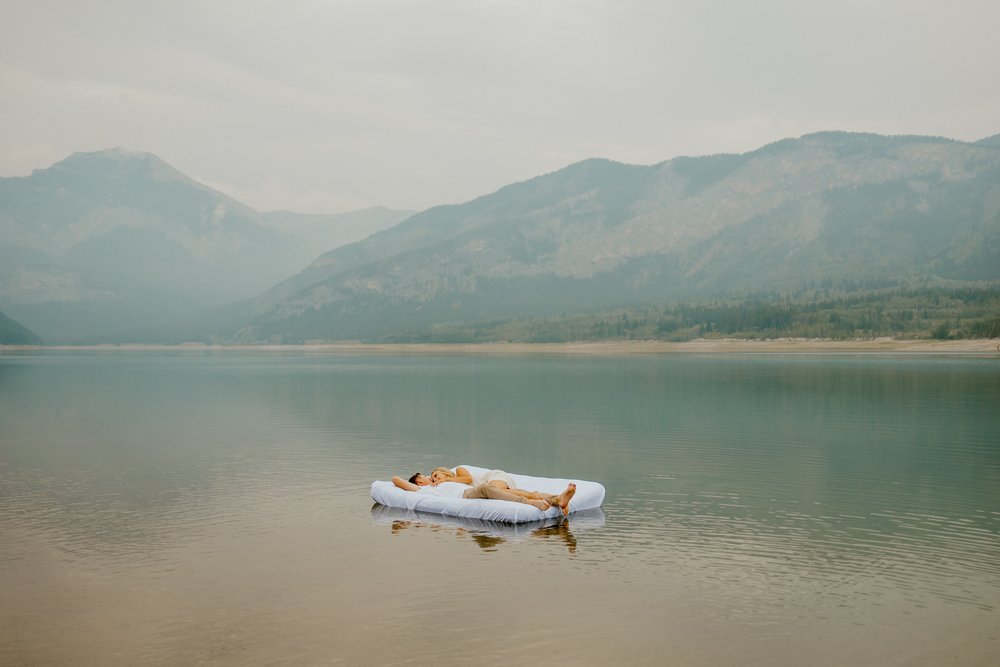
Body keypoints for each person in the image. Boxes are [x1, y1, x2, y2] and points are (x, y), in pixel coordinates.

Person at [391, 470, 576, 515]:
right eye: (423, 476)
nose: (428, 477)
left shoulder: (439, 483)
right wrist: (420, 485)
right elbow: (395, 480)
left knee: (505, 489)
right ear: (419, 481)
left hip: (469, 490)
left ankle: (557, 499)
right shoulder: (423, 491)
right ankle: (530, 503)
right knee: (488, 488)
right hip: (463, 497)